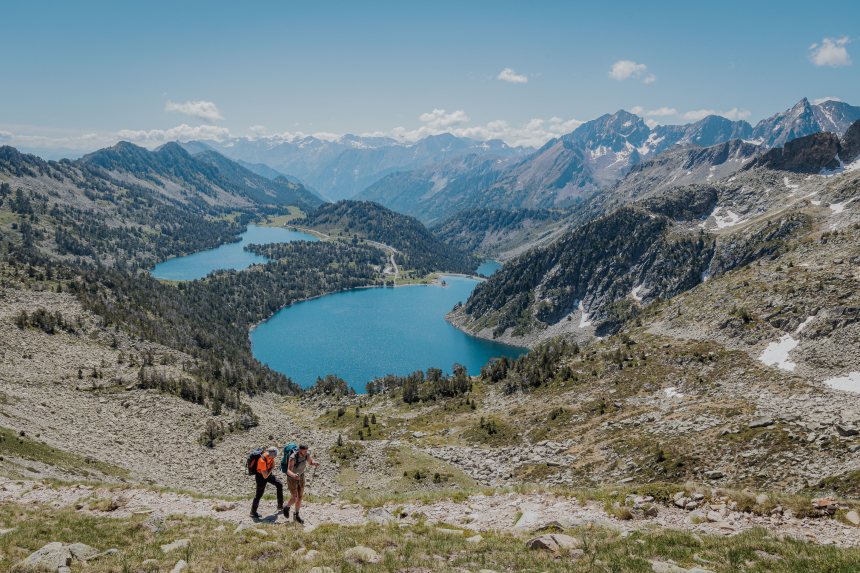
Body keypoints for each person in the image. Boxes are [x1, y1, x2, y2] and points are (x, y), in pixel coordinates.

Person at [284, 444, 319, 524]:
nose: (306, 452)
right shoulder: (293, 457)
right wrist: (294, 475)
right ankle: (287, 507)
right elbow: (288, 471)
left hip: (301, 476)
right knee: (295, 497)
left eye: (307, 451)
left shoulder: (306, 455)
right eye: (304, 451)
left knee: (300, 497)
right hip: (292, 478)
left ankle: (296, 515)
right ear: (300, 450)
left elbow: (310, 462)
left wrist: (314, 463)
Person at [250, 446, 283, 519]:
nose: (276, 456)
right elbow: (265, 476)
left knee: (279, 484)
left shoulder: (270, 456)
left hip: (267, 473)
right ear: (272, 453)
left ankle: (280, 506)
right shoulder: (262, 460)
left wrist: (271, 468)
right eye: (275, 454)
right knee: (258, 495)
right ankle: (253, 512)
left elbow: (271, 465)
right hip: (261, 477)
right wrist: (272, 468)